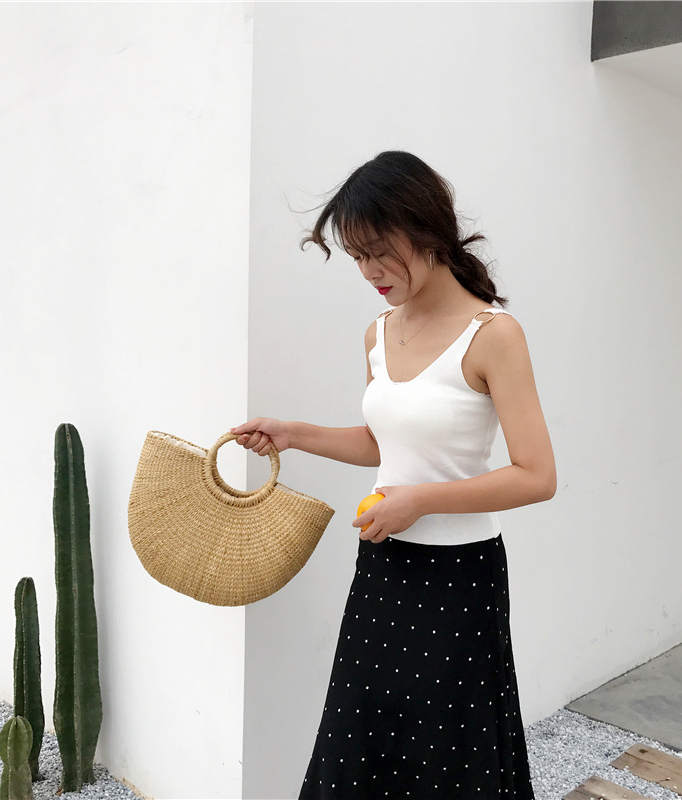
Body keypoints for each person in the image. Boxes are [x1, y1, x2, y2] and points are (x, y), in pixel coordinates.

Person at [231, 151, 556, 799]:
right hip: (383, 566)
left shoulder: (493, 334)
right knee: (361, 740)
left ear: (426, 229)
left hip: (460, 578)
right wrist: (293, 434)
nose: (369, 272)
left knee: (444, 756)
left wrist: (421, 501)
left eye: (379, 252)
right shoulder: (378, 333)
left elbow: (536, 475)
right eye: (357, 257)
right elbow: (384, 444)